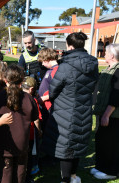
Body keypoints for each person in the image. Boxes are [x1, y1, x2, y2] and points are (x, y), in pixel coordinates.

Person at [41, 32, 99, 183]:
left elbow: (53, 90)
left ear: (70, 46)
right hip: (84, 107)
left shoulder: (65, 66)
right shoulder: (93, 63)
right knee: (77, 142)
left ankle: (66, 179)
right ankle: (73, 176)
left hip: (65, 110)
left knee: (66, 147)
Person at [0, 64, 38, 183]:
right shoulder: (29, 99)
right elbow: (35, 118)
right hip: (21, 145)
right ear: (22, 80)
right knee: (20, 176)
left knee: (5, 177)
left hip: (3, 145)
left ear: (5, 79)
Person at [92, 43, 119, 180]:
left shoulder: (118, 70)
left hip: (112, 115)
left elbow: (116, 95)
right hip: (102, 111)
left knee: (111, 143)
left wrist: (107, 114)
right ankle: (101, 166)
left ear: (112, 55)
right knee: (101, 140)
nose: (104, 54)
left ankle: (111, 171)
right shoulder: (108, 68)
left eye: (106, 52)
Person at [21, 76, 42, 182]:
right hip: (30, 133)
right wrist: (39, 131)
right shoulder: (33, 100)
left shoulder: (16, 97)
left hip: (18, 133)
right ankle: (28, 177)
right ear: (32, 89)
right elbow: (37, 119)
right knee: (29, 156)